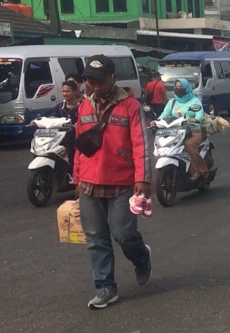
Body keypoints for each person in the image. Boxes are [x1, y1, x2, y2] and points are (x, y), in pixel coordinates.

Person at [73, 54, 152, 309]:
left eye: (100, 81)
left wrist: (143, 178)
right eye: (89, 81)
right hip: (89, 182)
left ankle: (141, 258)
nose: (94, 86)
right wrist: (76, 176)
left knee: (123, 234)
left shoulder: (131, 106)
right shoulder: (84, 106)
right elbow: (79, 145)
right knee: (95, 238)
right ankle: (105, 287)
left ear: (113, 79)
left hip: (123, 183)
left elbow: (142, 144)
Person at [154, 78, 208, 180]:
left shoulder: (194, 101)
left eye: (181, 87)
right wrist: (156, 121)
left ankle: (199, 170)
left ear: (186, 88)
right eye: (177, 87)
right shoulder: (172, 102)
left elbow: (199, 114)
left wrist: (195, 119)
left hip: (193, 131)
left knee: (188, 145)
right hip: (176, 132)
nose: (178, 89)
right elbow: (164, 115)